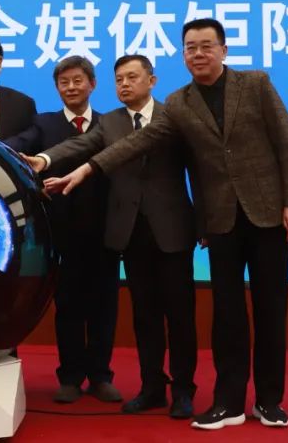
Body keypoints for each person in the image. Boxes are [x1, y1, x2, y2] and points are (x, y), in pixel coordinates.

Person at [38, 18, 288, 430]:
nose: (198, 54)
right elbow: (136, 142)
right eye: (190, 48)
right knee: (227, 314)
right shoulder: (181, 103)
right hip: (220, 221)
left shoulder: (255, 84)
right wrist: (84, 169)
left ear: (223, 50)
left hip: (266, 213)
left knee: (271, 309)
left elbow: (287, 142)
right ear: (182, 55)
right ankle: (229, 401)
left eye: (206, 46)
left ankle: (269, 401)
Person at [34, 55, 198, 419]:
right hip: (130, 233)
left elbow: (199, 168)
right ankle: (152, 387)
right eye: (119, 79)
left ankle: (183, 389)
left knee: (180, 316)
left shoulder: (174, 115)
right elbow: (78, 146)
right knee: (145, 316)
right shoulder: (110, 122)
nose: (124, 84)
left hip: (172, 230)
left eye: (132, 77)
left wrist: (204, 220)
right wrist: (44, 160)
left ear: (152, 81)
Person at [5, 56, 120, 405]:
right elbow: (20, 143)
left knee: (104, 307)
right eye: (64, 83)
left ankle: (100, 376)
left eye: (77, 81)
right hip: (61, 231)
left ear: (92, 84)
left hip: (105, 231)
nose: (71, 88)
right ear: (56, 88)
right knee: (67, 306)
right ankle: (70, 377)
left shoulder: (111, 124)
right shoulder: (44, 123)